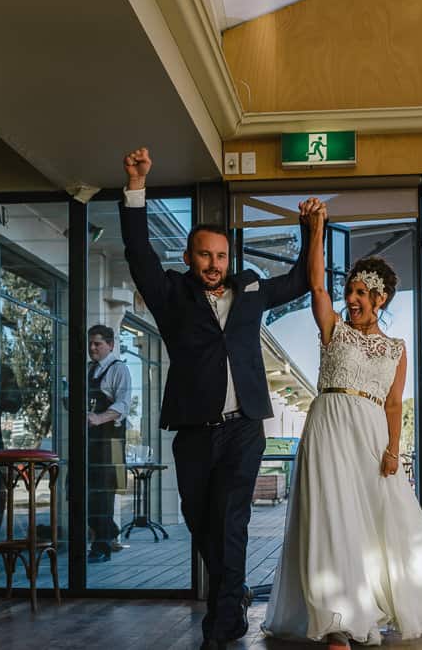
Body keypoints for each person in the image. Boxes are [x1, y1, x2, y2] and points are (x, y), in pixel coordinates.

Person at [120, 147, 320, 649]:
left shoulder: (250, 288)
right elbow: (138, 253)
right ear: (190, 258)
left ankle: (219, 623)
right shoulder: (171, 295)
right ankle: (234, 599)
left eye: (221, 256)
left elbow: (298, 281)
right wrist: (137, 189)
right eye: (205, 255)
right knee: (198, 519)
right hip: (192, 430)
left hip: (244, 428)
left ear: (231, 259)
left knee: (232, 519)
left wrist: (311, 230)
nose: (214, 264)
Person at [263, 199, 422, 647]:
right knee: (330, 517)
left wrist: (394, 450)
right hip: (327, 426)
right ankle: (339, 619)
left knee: (372, 524)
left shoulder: (396, 348)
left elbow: (395, 404)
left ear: (381, 300)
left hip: (371, 435)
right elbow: (317, 285)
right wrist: (315, 229)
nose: (352, 299)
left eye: (362, 293)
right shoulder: (333, 329)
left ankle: (377, 604)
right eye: (351, 291)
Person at [86, 324, 132, 561]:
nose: (92, 348)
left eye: (98, 344)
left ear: (111, 345)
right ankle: (110, 532)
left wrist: (98, 418)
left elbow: (123, 405)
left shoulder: (119, 369)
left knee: (104, 494)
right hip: (89, 441)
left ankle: (101, 548)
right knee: (83, 492)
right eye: (90, 343)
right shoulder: (88, 370)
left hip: (109, 441)